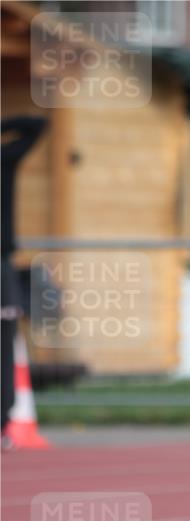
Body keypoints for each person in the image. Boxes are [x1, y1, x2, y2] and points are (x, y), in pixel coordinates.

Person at [1, 115, 48, 443]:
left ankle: (3, 421)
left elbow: (38, 125)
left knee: (4, 343)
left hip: (0, 265)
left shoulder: (3, 158)